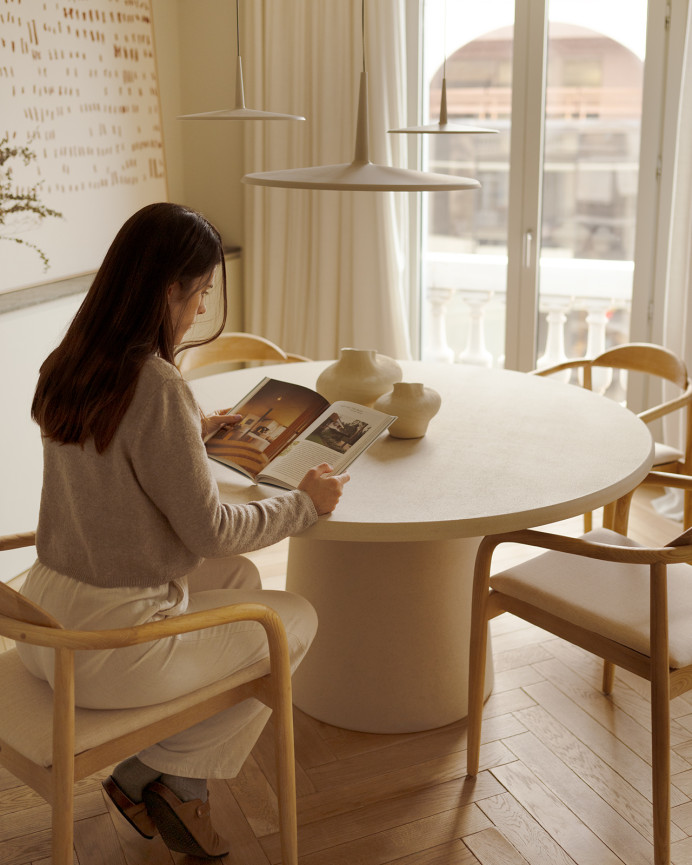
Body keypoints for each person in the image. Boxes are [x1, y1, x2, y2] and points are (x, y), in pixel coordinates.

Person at [19, 202, 349, 859]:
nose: (201, 308)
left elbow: (114, 459)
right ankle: (159, 775)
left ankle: (164, 777)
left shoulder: (73, 362)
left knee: (243, 583)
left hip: (43, 618)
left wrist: (192, 433)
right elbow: (212, 529)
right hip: (108, 645)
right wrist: (305, 505)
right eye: (200, 292)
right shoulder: (159, 384)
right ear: (170, 288)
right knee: (291, 622)